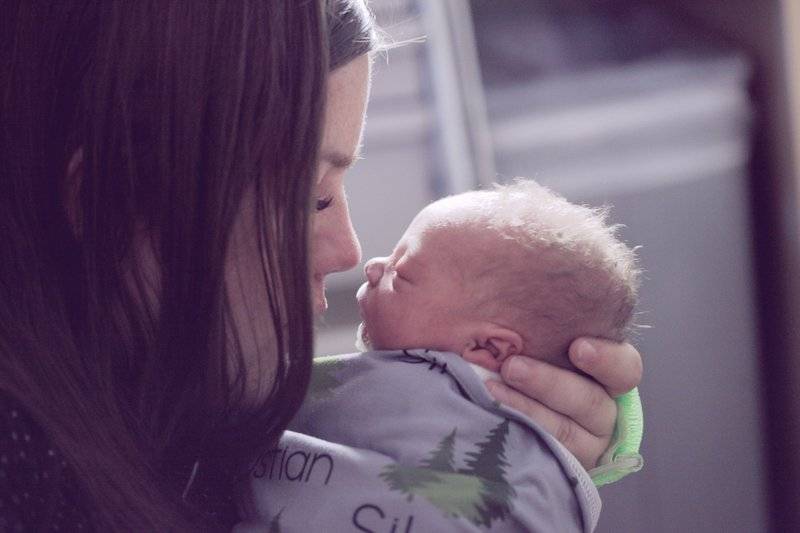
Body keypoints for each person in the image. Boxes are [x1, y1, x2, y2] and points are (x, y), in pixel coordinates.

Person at [0, 1, 643, 530]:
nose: (350, 253)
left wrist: (543, 435)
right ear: (114, 198)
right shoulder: (33, 483)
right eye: (312, 198)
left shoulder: (156, 401)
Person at [241, 180, 641, 531]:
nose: (372, 265)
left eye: (403, 273)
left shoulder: (540, 446)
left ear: (487, 348)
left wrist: (618, 443)